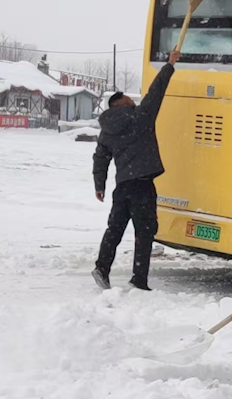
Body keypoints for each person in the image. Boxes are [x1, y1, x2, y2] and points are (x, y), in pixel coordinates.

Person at [90, 47, 182, 291]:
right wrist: (169, 64)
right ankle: (139, 279)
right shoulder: (140, 116)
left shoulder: (107, 130)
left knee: (115, 229)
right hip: (142, 185)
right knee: (145, 232)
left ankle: (102, 267)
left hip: (122, 188)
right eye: (130, 100)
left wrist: (99, 185)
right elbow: (156, 91)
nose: (133, 102)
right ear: (122, 104)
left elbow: (100, 158)